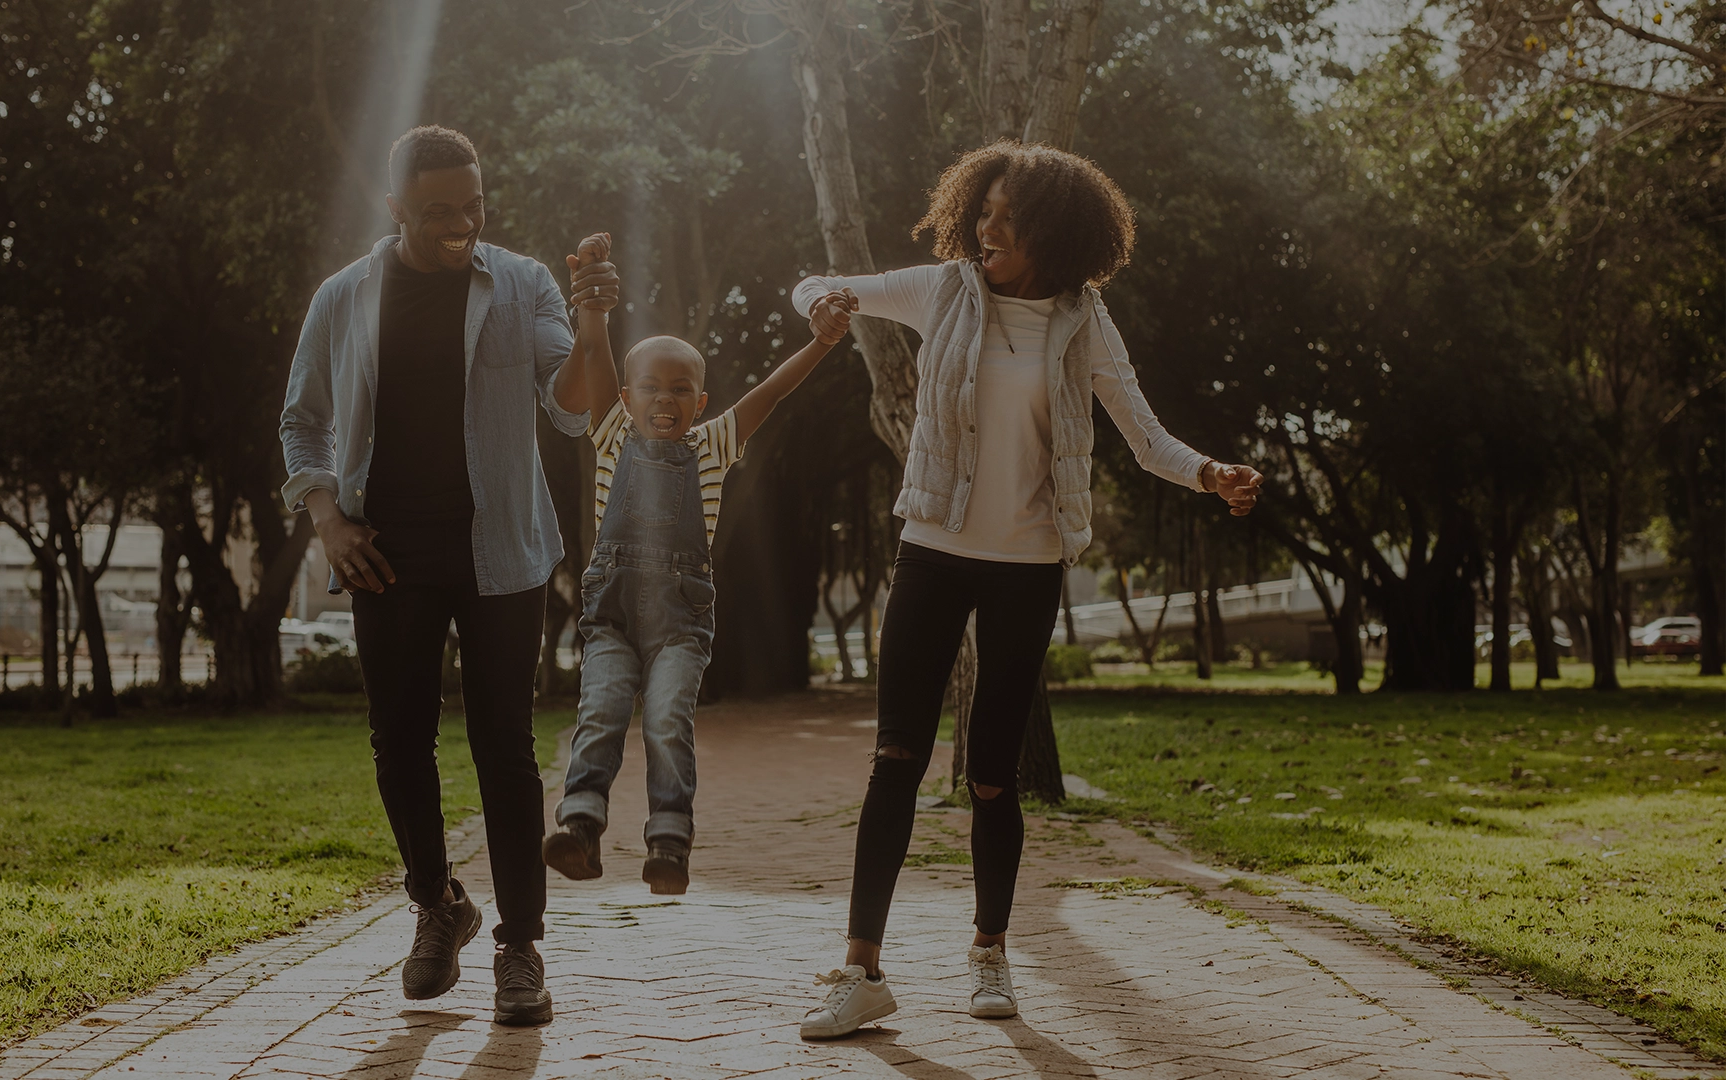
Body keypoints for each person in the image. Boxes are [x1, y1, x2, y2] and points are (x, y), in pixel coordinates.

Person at [789, 140, 1263, 1039]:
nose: (986, 226)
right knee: (895, 760)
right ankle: (860, 971)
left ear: (1057, 231)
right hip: (931, 549)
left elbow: (1146, 436)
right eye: (984, 208)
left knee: (996, 777)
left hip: (1027, 566)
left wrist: (1210, 473)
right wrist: (827, 303)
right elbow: (815, 281)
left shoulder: (1085, 322)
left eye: (1008, 215)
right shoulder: (943, 291)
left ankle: (989, 954)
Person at [277, 125, 620, 1027]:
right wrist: (327, 520)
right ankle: (438, 905)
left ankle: (519, 949)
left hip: (500, 547)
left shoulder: (523, 283)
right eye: (439, 212)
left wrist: (593, 322)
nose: (461, 223)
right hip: (386, 551)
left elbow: (573, 407)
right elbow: (302, 421)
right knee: (399, 742)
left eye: (473, 205)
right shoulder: (345, 297)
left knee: (504, 747)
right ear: (396, 210)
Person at [539, 234, 859, 895]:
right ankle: (580, 825)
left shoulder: (713, 446)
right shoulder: (610, 433)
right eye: (650, 388)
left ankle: (669, 841)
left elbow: (771, 392)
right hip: (612, 620)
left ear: (701, 404)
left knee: (665, 718)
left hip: (681, 625)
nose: (664, 400)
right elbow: (595, 349)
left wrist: (823, 343)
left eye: (680, 389)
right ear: (625, 399)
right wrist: (593, 286)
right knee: (599, 710)